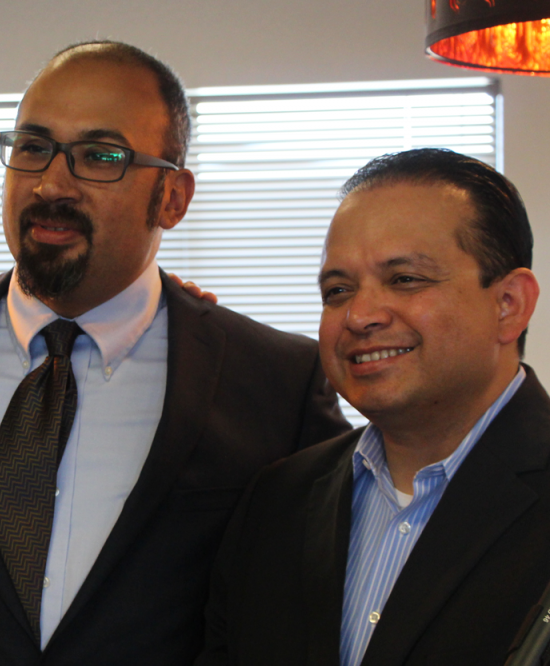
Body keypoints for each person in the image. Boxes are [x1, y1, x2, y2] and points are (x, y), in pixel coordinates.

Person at [0, 40, 349, 665]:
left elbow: (318, 606)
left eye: (100, 156)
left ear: (173, 197)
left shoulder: (274, 381)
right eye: (33, 148)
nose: (52, 183)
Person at [203, 148, 548, 666]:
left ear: (509, 305)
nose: (359, 315)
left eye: (404, 279)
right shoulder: (276, 503)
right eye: (337, 290)